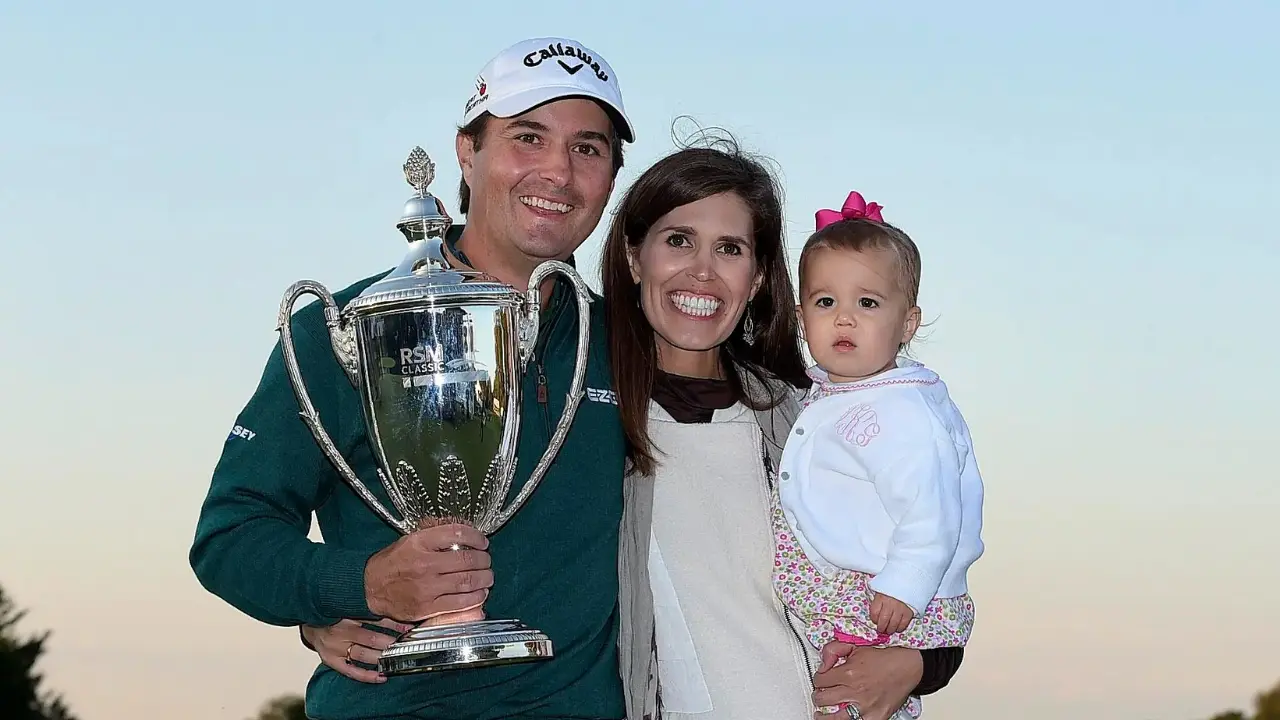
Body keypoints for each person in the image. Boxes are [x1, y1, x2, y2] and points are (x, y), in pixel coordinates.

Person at [307, 144, 969, 720]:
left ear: (760, 277)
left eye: (731, 248)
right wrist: (329, 610)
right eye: (678, 240)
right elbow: (495, 548)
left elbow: (929, 546)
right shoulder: (580, 412)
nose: (702, 270)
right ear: (632, 256)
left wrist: (919, 665)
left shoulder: (809, 415)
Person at [190, 35, 639, 720]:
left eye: (588, 147)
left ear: (610, 176)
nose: (558, 171)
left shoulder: (628, 346)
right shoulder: (346, 331)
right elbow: (230, 537)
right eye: (528, 137)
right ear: (467, 151)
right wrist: (352, 585)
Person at [773, 191, 985, 718]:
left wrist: (903, 587)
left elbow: (931, 509)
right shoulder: (837, 392)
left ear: (907, 324)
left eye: (867, 303)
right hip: (852, 589)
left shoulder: (903, 411)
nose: (844, 319)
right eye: (826, 302)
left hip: (883, 595)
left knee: (849, 695)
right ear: (801, 317)